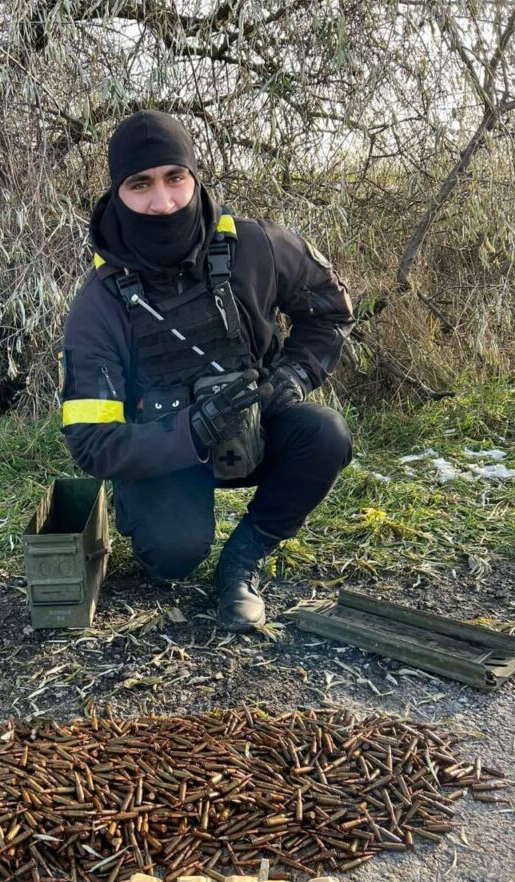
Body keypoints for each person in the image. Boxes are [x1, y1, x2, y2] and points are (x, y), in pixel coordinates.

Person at [59, 110, 354, 632]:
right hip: (164, 457)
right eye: (140, 184)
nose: (163, 201)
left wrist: (293, 376)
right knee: (174, 555)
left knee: (326, 434)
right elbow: (91, 441)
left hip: (257, 428)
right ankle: (153, 521)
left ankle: (242, 562)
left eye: (175, 177)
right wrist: (191, 431)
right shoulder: (99, 304)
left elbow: (329, 312)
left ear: (195, 176)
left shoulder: (257, 246)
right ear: (117, 193)